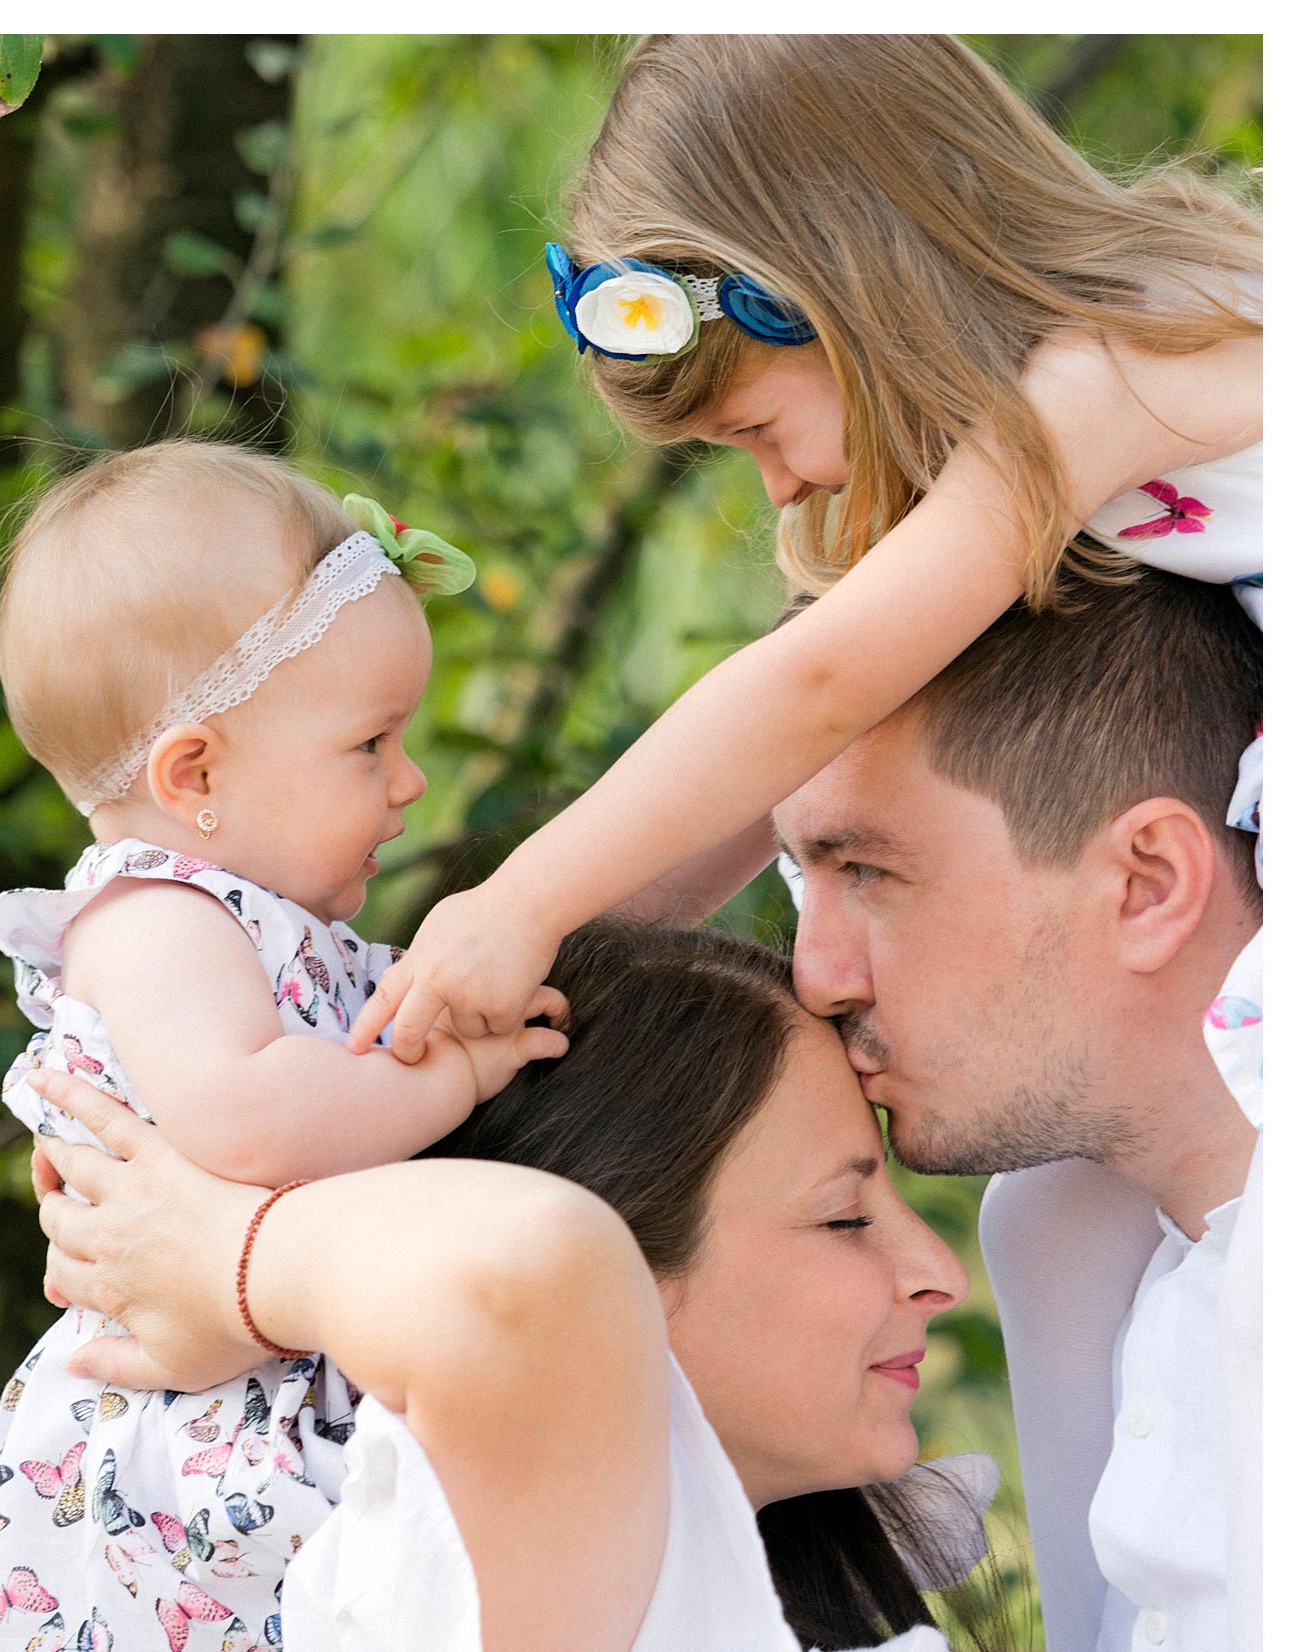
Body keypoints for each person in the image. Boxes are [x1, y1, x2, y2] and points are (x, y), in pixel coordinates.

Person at [25, 917, 1034, 1652]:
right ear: (621, 1270)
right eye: (843, 1215)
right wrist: (232, 1257)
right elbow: (526, 1269)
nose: (934, 1268)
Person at [348, 32, 1261, 1140]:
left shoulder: (1113, 370)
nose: (781, 487)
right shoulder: (1051, 421)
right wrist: (495, 978)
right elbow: (774, 766)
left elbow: (819, 685)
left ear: (853, 297)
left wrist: (521, 900)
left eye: (757, 430)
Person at [0, 440, 567, 1652]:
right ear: (196, 775)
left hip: (283, 1348)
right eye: (371, 744)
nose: (411, 781)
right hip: (228, 1417)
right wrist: (447, 1082)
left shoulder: (237, 913)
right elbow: (247, 1119)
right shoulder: (151, 919)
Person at [771, 564, 1262, 1652]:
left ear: (1146, 883)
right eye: (792, 879)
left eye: (867, 871)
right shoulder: (1072, 1238)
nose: (811, 971)